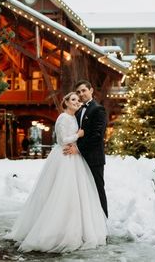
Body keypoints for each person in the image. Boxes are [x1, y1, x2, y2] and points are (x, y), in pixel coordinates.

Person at [7, 92, 107, 253]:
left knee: (75, 194)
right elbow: (61, 140)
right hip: (63, 158)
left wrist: (78, 140)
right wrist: (78, 135)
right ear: (65, 102)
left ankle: (75, 228)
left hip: (74, 157)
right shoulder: (62, 118)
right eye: (73, 99)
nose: (76, 102)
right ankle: (53, 229)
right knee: (61, 192)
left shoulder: (75, 117)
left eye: (78, 100)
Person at [64, 80, 108, 218]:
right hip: (79, 160)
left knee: (97, 190)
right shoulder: (78, 111)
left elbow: (97, 135)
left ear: (91, 90)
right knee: (83, 192)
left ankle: (103, 222)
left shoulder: (98, 109)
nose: (81, 94)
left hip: (94, 158)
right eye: (78, 92)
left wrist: (78, 149)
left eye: (84, 90)